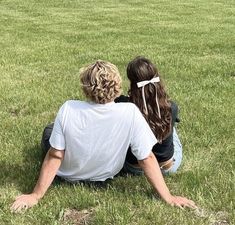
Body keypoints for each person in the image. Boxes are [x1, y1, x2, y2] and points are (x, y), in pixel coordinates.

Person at [11, 60, 196, 212]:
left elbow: (55, 154)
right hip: (103, 175)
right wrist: (168, 197)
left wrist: (35, 195)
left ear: (85, 88)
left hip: (66, 174)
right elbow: (146, 157)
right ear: (118, 85)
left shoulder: (68, 107)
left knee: (49, 132)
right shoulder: (130, 111)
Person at [116, 56, 183, 176]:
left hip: (135, 168)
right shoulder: (171, 107)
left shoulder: (124, 106)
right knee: (172, 125)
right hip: (167, 167)